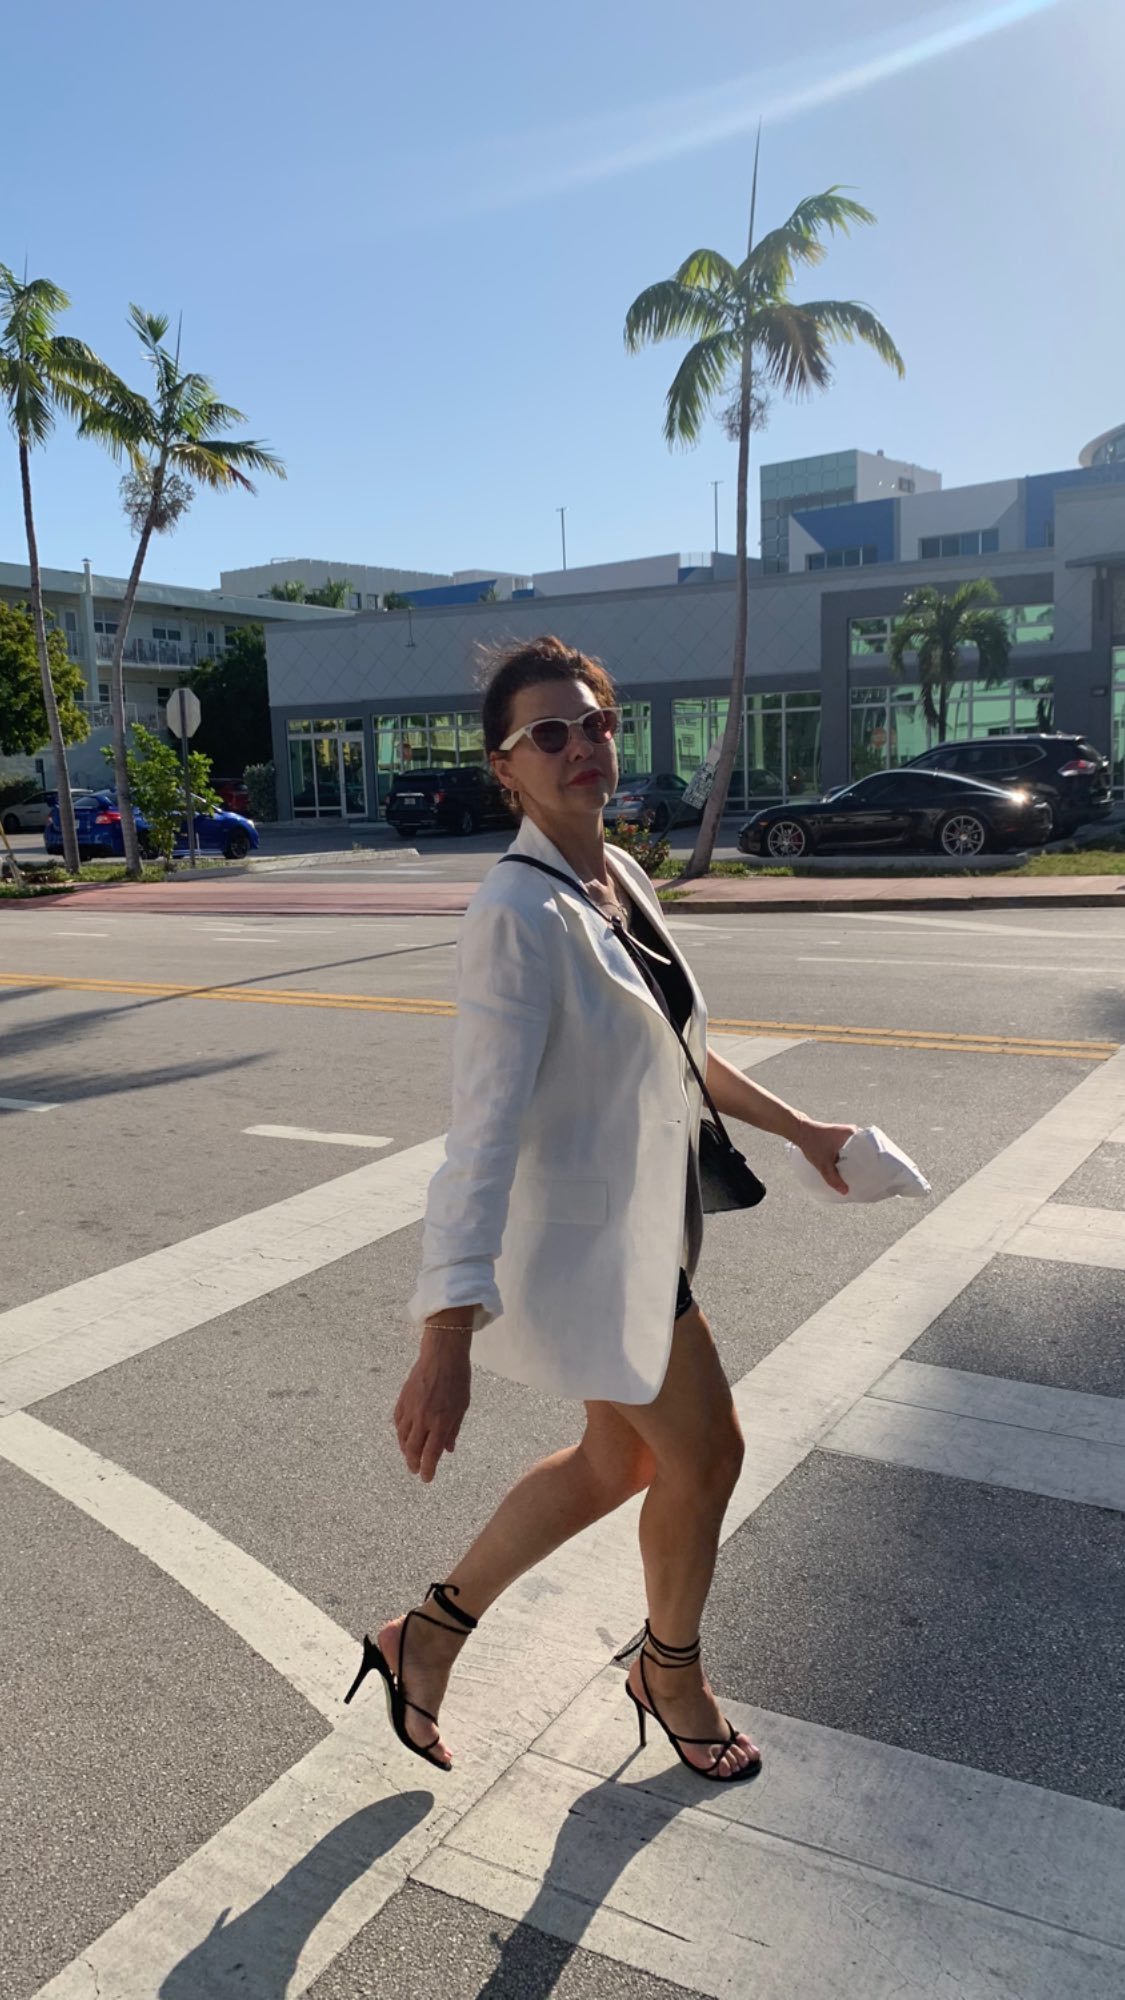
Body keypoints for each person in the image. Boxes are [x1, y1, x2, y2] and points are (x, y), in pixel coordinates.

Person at [345, 637, 855, 1783]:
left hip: (644, 1228)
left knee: (615, 1459)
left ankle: (424, 1634)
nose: (581, 745)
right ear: (506, 767)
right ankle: (668, 1672)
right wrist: (444, 1334)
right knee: (709, 1453)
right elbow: (478, 1133)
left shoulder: (615, 875)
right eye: (549, 733)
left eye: (595, 723)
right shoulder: (514, 913)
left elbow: (682, 1051)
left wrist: (805, 1129)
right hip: (593, 1251)